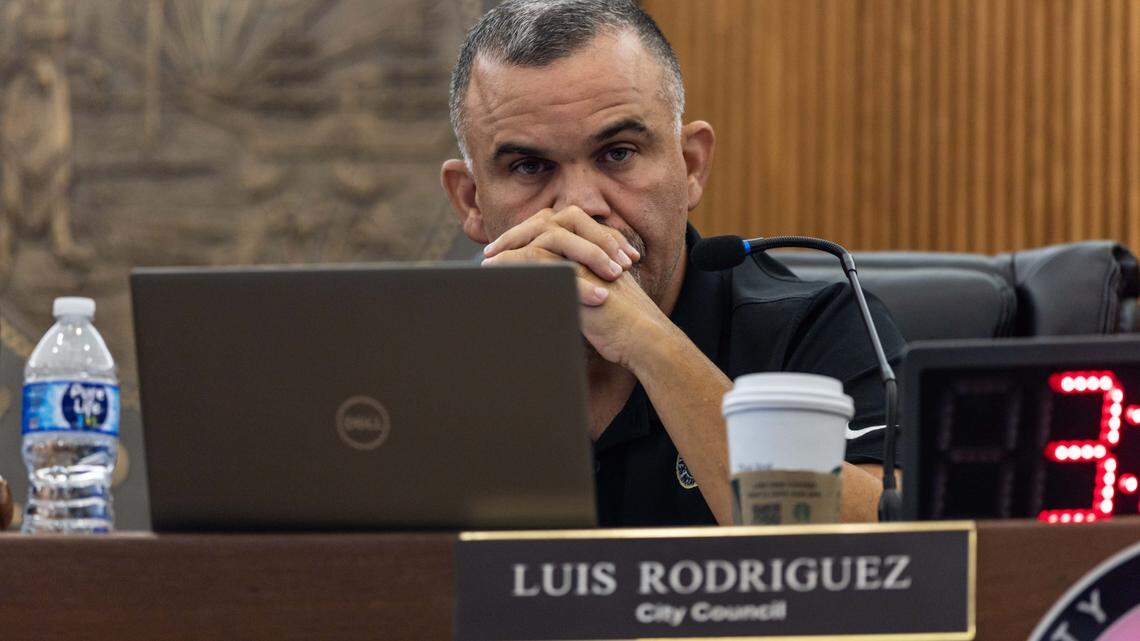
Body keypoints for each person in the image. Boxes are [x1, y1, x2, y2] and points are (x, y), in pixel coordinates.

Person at [441, 0, 906, 527]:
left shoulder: (819, 325)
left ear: (690, 166)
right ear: (471, 202)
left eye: (617, 153)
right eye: (529, 166)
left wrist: (649, 343)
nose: (578, 208)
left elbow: (898, 552)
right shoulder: (426, 357)